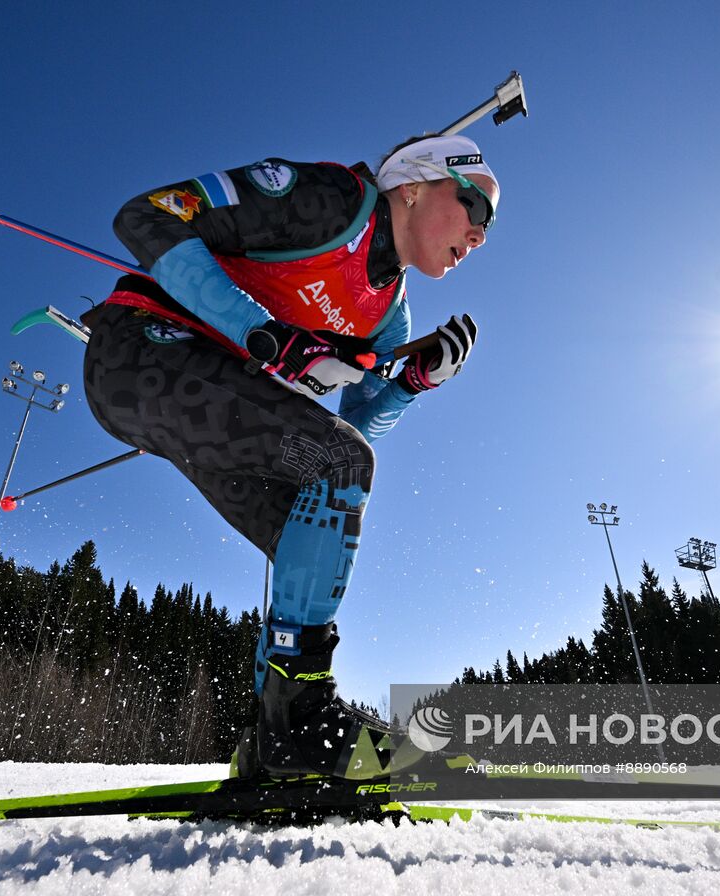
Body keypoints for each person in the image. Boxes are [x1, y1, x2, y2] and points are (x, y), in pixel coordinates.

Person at [82, 134, 500, 779]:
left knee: (313, 522)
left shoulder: (390, 318)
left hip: (212, 396)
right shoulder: (333, 203)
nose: (480, 234)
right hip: (141, 352)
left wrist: (410, 385)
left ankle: (274, 745)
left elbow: (350, 434)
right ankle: (296, 728)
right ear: (414, 187)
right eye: (477, 208)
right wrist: (267, 334)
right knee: (336, 469)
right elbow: (146, 215)